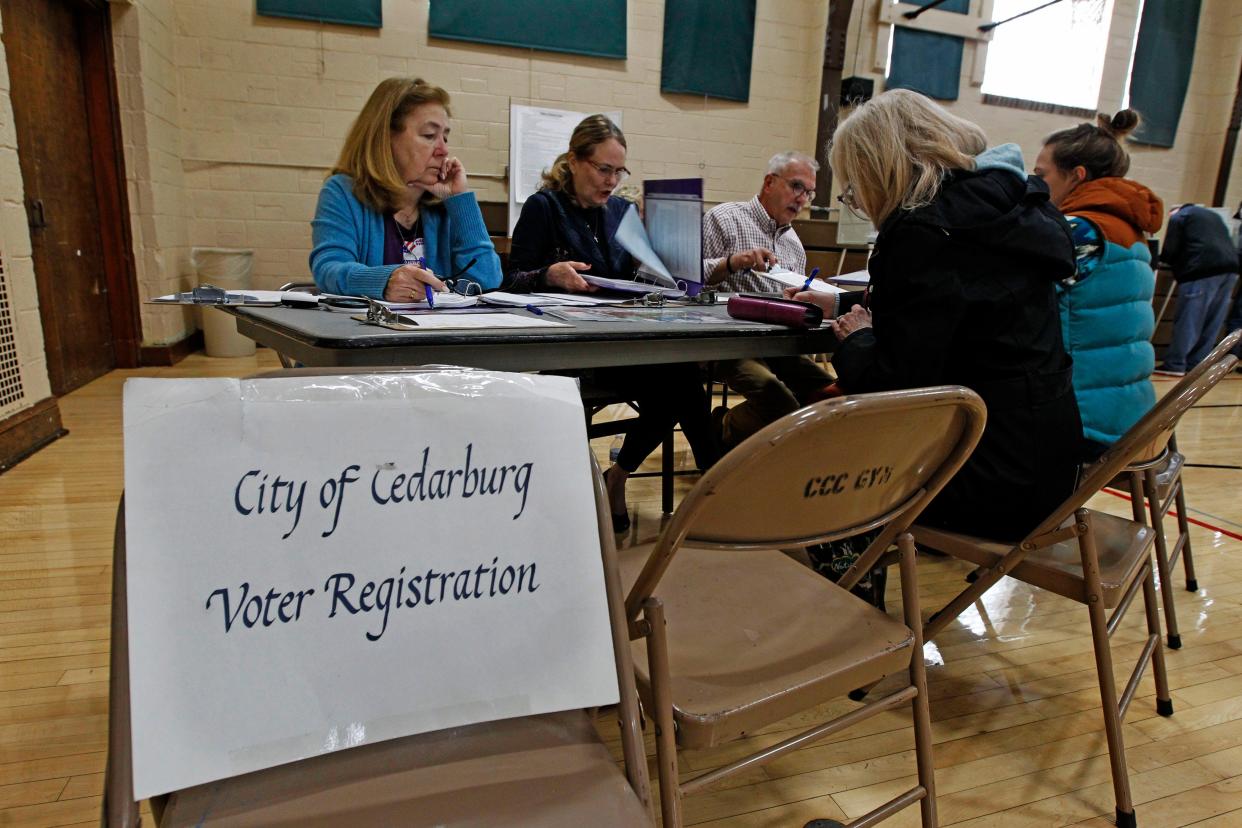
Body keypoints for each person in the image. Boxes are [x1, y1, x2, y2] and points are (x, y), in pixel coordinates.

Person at [787, 89, 1082, 541]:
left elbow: (892, 382)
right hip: (1050, 468)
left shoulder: (924, 228)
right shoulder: (1000, 209)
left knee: (820, 459)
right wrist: (844, 305)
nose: (859, 198)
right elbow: (957, 313)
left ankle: (848, 599)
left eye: (855, 185)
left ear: (880, 168)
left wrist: (858, 338)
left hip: (989, 480)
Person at [503, 115, 715, 531]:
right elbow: (509, 280)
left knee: (685, 376)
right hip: (571, 348)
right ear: (574, 161)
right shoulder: (543, 207)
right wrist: (550, 275)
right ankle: (714, 497)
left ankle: (632, 479)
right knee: (680, 385)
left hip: (623, 339)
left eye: (620, 171)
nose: (612, 181)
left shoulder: (620, 211)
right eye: (604, 169)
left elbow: (636, 277)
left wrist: (662, 260)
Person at [1033, 110, 1163, 459]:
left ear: (1076, 175)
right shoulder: (1130, 228)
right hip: (1130, 416)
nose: (1034, 184)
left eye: (1040, 175)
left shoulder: (1081, 230)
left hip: (1085, 420)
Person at [311, 77, 501, 300]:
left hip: (438, 331)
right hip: (368, 331)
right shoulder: (343, 191)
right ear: (386, 138)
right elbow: (329, 269)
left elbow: (488, 280)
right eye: (429, 136)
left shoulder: (445, 205)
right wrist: (384, 281)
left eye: (446, 137)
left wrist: (460, 201)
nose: (443, 150)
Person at [701, 152, 833, 450]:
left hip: (778, 343)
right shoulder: (724, 218)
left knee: (830, 395)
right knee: (779, 401)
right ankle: (719, 428)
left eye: (808, 193)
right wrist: (734, 262)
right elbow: (689, 281)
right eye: (797, 187)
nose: (802, 199)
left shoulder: (793, 244)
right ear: (770, 182)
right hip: (726, 342)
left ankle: (776, 458)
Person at [1155, 203, 1240, 376]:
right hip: (1231, 269)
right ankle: (1197, 365)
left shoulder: (1179, 216)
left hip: (1201, 269)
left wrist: (1166, 260)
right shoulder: (1213, 216)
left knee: (1190, 319)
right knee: (1213, 321)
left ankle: (1176, 364)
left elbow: (1170, 249)